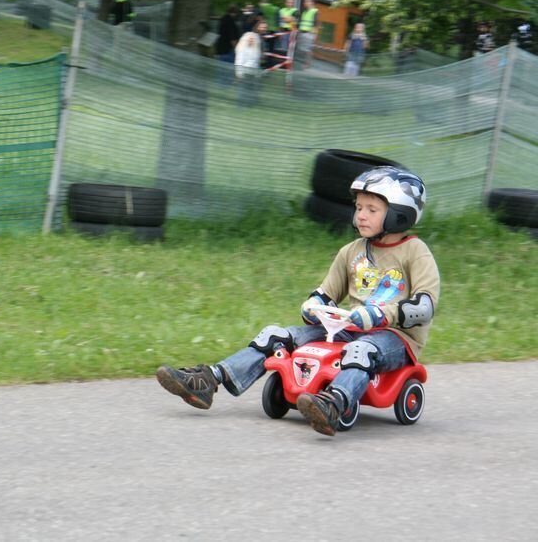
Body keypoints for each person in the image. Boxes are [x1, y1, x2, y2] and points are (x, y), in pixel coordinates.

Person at [156, 166, 440, 437]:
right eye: (359, 208)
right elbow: (326, 293)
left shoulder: (414, 252)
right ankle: (210, 379)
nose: (361, 216)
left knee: (361, 350)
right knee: (276, 336)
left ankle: (334, 405)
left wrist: (379, 315)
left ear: (399, 215)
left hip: (394, 338)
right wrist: (313, 305)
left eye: (372, 210)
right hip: (349, 327)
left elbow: (424, 307)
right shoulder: (351, 252)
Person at [234, 20, 264, 107]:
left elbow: (256, 59)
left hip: (253, 70)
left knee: (250, 88)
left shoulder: (257, 41)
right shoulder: (244, 44)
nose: (251, 40)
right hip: (245, 70)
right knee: (243, 88)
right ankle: (241, 105)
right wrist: (238, 72)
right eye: (261, 27)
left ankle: (249, 104)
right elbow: (239, 58)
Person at [296, 0, 319, 68]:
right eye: (305, 2)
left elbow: (316, 24)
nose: (305, 3)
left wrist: (315, 35)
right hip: (301, 32)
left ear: (311, 3)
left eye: (307, 2)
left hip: (309, 33)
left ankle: (307, 64)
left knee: (308, 49)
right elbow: (301, 22)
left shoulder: (315, 11)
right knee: (301, 48)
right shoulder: (304, 11)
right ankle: (301, 62)